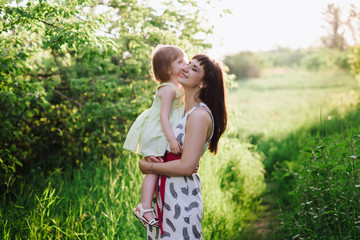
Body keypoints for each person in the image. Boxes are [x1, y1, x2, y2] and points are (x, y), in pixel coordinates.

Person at [139, 54, 227, 239]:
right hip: (165, 193)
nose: (186, 68)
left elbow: (186, 166)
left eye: (194, 69)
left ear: (204, 84)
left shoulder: (199, 115)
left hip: (181, 198)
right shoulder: (179, 110)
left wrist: (149, 167)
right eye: (188, 64)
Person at [123, 45, 187, 228]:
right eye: (180, 62)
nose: (186, 64)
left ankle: (151, 199)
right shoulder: (167, 89)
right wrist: (172, 140)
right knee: (154, 165)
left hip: (162, 130)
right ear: (168, 69)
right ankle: (144, 206)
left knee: (157, 165)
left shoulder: (177, 86)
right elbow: (163, 116)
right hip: (159, 131)